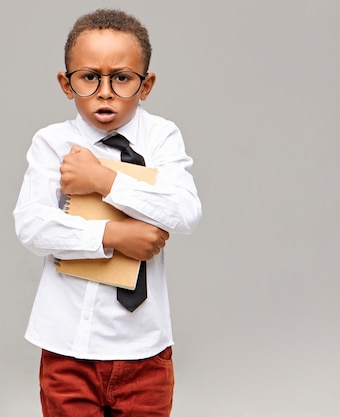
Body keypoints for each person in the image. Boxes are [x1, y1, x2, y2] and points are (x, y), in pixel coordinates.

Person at [13, 8, 202, 417]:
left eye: (121, 77)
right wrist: (111, 237)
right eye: (88, 77)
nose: (104, 91)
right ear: (67, 83)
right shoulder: (51, 143)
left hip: (144, 350)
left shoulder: (161, 137)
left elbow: (185, 212)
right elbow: (32, 226)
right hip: (67, 348)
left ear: (145, 84)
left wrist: (104, 182)